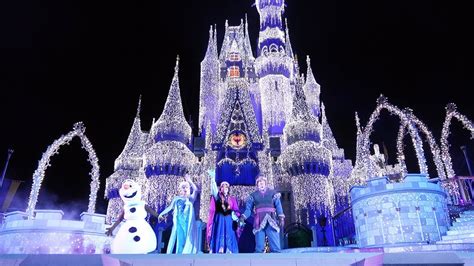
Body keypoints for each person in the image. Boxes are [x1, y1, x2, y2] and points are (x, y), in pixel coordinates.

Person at [105, 179, 160, 254]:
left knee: (144, 243)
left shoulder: (142, 204)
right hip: (128, 226)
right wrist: (112, 228)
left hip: (141, 225)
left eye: (130, 186)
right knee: (125, 245)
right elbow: (119, 219)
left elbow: (151, 211)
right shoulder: (126, 207)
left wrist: (159, 216)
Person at [240, 176, 285, 253]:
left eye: (262, 182)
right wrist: (243, 217)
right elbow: (248, 210)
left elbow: (278, 206)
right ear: (257, 185)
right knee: (259, 246)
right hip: (259, 221)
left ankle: (277, 261)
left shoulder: (273, 193)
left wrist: (281, 217)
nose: (261, 184)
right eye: (259, 182)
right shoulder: (253, 195)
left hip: (271, 219)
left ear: (265, 183)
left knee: (275, 245)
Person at [158, 175, 199, 254]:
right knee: (180, 240)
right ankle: (179, 255)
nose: (185, 189)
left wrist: (190, 181)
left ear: (189, 188)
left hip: (188, 223)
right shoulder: (177, 199)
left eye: (186, 187)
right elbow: (170, 207)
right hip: (179, 222)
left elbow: (196, 190)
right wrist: (161, 214)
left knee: (187, 238)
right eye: (183, 187)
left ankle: (187, 254)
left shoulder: (191, 198)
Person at [206, 169, 241, 253]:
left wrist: (235, 216)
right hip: (220, 218)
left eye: (226, 186)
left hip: (229, 219)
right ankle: (219, 248)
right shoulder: (218, 196)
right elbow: (214, 189)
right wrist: (212, 179)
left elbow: (236, 210)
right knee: (219, 231)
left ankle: (229, 249)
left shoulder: (232, 199)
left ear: (228, 189)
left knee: (229, 232)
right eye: (222, 186)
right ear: (220, 189)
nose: (225, 187)